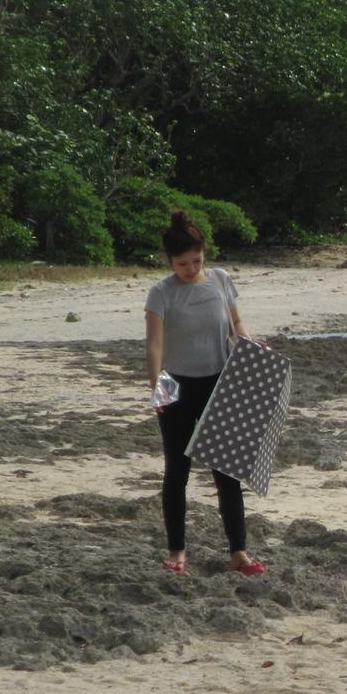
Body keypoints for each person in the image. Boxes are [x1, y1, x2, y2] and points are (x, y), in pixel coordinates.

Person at [143, 209, 265, 577]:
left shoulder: (222, 280)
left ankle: (238, 552)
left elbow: (236, 324)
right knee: (176, 471)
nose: (191, 268)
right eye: (182, 263)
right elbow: (153, 347)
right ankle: (178, 552)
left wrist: (252, 344)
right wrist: (158, 391)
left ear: (204, 253)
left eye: (196, 260)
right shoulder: (161, 293)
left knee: (227, 472)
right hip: (176, 386)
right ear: (168, 261)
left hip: (219, 383)